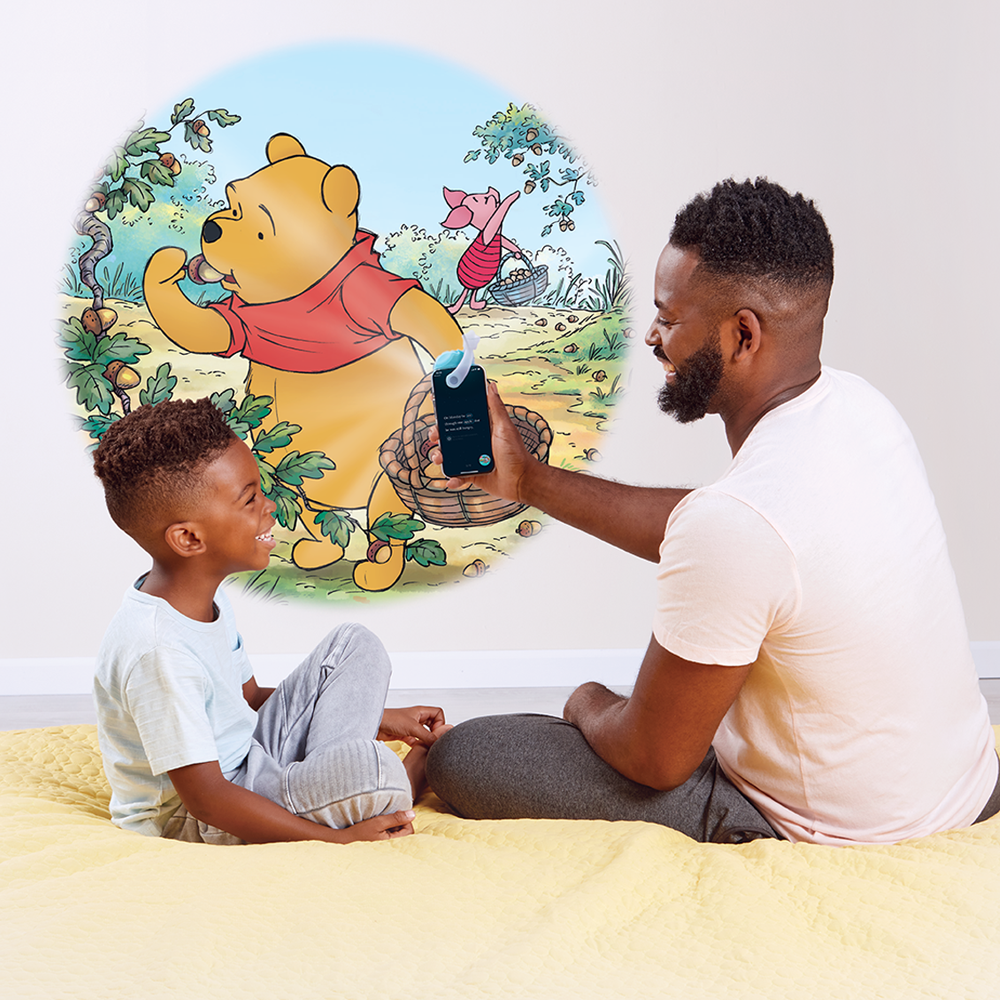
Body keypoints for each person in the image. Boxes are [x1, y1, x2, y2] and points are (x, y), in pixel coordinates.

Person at [425, 177, 1000, 846]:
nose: (651, 335)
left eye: (669, 317)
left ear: (743, 335)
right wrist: (526, 479)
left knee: (469, 757)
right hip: (965, 787)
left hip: (844, 831)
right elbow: (730, 527)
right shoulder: (861, 410)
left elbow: (654, 759)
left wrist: (585, 698)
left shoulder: (737, 525)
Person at [91, 397, 451, 845]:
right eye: (249, 499)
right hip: (199, 817)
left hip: (251, 760)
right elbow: (207, 799)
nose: (269, 506)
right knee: (370, 772)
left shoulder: (202, 599)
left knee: (354, 643)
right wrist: (334, 841)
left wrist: (378, 716)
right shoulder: (158, 650)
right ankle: (406, 778)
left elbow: (251, 698)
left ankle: (335, 778)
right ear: (188, 538)